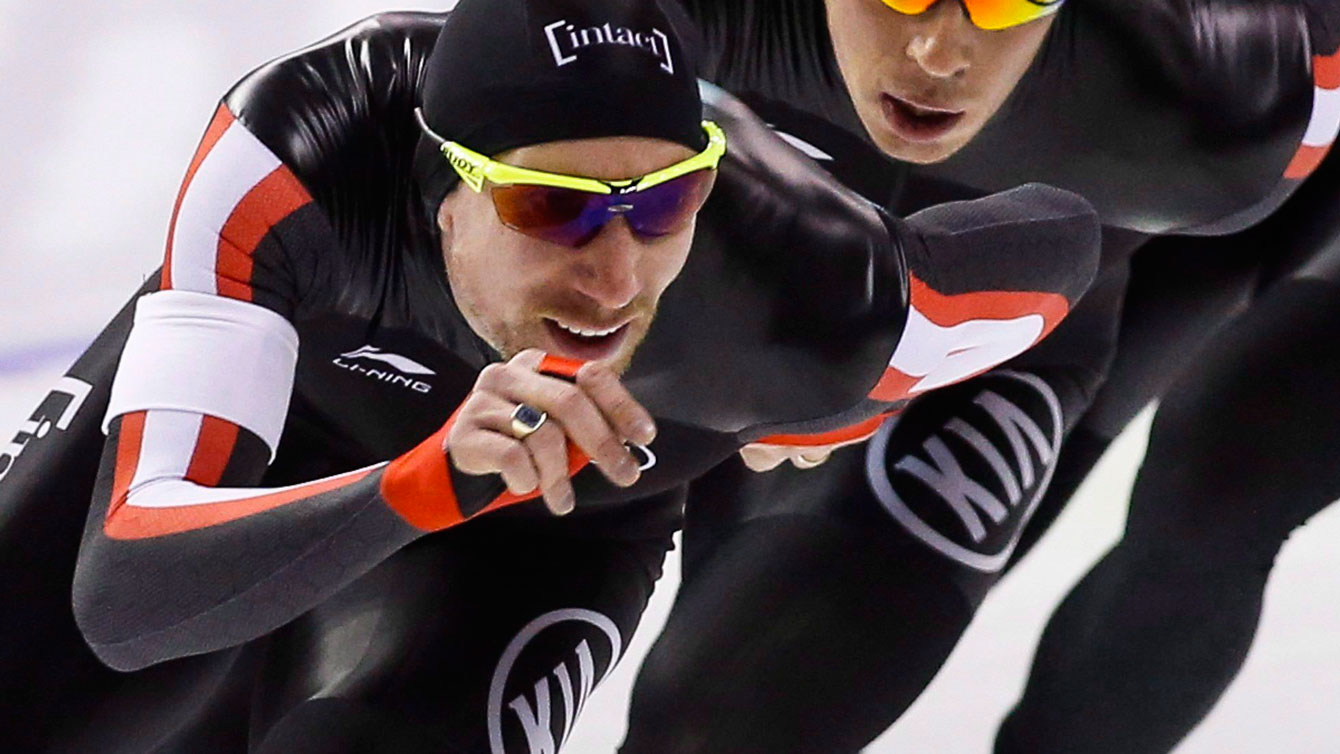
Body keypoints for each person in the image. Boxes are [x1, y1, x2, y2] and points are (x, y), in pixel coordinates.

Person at [0, 0, 1102, 751]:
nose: (614, 277)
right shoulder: (295, 155)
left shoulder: (798, 279)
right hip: (278, 428)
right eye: (551, 206)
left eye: (663, 202)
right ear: (442, 188)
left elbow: (1057, 241)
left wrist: (870, 385)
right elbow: (129, 601)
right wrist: (425, 477)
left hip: (552, 525)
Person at [618, 1, 1340, 752]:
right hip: (860, 271)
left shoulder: (1227, 92)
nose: (938, 51)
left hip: (1031, 299)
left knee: (1235, 455)